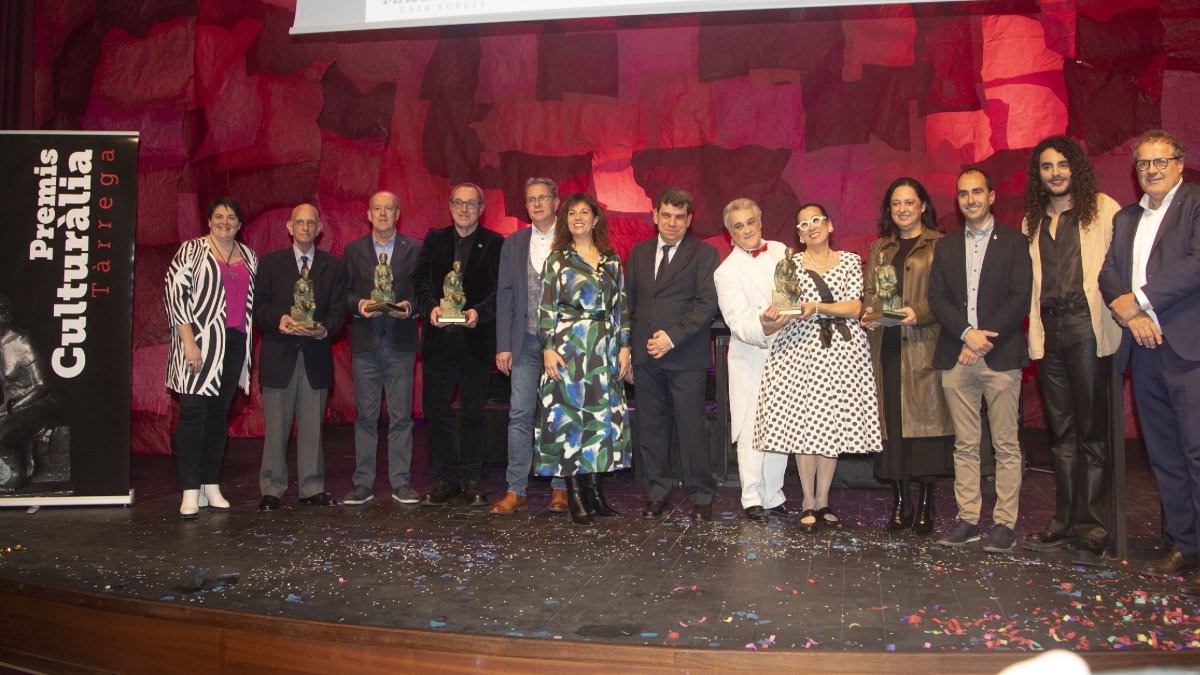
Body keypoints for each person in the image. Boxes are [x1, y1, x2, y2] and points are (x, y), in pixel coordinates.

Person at [1099, 129, 1200, 596]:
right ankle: (1185, 546)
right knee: (1164, 456)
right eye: (1143, 163)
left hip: (1188, 349)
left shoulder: (1196, 205)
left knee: (1197, 452)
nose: (1152, 170)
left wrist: (1134, 302)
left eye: (1161, 161)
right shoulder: (1124, 217)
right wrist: (1129, 311)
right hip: (1144, 350)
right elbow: (1107, 272)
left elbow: (1195, 265)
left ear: (1180, 163)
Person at [1021, 136, 1122, 565]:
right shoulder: (1034, 221)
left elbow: (1118, 270)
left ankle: (1094, 527)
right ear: (1039, 175)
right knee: (1061, 436)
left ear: (1074, 167)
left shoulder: (1103, 209)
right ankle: (1063, 522)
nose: (1055, 172)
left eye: (1062, 164)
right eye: (1047, 166)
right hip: (1050, 333)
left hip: (1087, 328)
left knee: (1092, 435)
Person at [753, 204, 880, 533]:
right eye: (802, 225)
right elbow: (784, 307)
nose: (810, 228)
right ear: (798, 234)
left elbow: (855, 306)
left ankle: (823, 499)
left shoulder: (850, 260)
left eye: (816, 221)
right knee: (805, 425)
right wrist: (773, 315)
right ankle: (808, 500)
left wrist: (819, 307)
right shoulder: (789, 265)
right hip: (799, 353)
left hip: (841, 352)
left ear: (829, 224)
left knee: (831, 425)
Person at [929, 169, 1032, 553]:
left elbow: (1019, 299)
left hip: (1001, 355)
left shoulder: (1015, 243)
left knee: (1005, 445)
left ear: (991, 196)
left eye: (977, 192)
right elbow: (938, 299)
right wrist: (966, 335)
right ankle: (967, 519)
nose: (970, 199)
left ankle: (1004, 524)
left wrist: (982, 338)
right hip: (957, 356)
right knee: (965, 444)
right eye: (962, 194)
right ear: (957, 200)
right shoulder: (947, 245)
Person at [862, 178, 953, 535]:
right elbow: (870, 291)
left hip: (924, 343)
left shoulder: (940, 244)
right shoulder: (880, 248)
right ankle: (901, 501)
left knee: (926, 428)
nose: (902, 209)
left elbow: (947, 295)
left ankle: (927, 503)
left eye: (909, 203)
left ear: (923, 206)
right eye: (896, 203)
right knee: (894, 429)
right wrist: (869, 314)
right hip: (886, 345)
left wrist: (919, 312)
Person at [535, 193, 632, 526]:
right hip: (569, 347)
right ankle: (575, 493)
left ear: (595, 219)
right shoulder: (557, 260)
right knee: (571, 419)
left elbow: (621, 307)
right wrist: (548, 347)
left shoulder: (612, 260)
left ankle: (594, 491)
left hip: (604, 348)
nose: (577, 217)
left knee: (599, 421)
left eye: (584, 212)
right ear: (566, 221)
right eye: (572, 213)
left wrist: (624, 347)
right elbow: (546, 307)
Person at [626, 188, 719, 521]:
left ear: (689, 220)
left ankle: (700, 495)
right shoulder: (638, 253)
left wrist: (671, 337)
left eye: (680, 217)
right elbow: (631, 303)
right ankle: (656, 493)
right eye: (666, 215)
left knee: (692, 427)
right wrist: (629, 350)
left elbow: (706, 304)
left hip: (686, 357)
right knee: (650, 428)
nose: (672, 223)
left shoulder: (705, 254)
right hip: (645, 357)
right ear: (655, 216)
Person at [164, 197, 258, 519]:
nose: (225, 221)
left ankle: (211, 484)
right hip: (198, 344)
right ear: (209, 221)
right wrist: (189, 342)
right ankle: (190, 489)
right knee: (193, 413)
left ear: (240, 224)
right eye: (219, 216)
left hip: (234, 345)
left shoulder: (249, 256)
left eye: (232, 217)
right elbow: (175, 295)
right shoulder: (191, 251)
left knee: (219, 414)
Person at [413, 183, 503, 508]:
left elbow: (499, 290)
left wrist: (480, 312)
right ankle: (446, 478)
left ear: (481, 208)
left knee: (473, 414)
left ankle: (472, 476)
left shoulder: (495, 243)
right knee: (436, 413)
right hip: (439, 341)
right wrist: (430, 307)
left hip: (475, 341)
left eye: (471, 204)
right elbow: (420, 280)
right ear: (450, 206)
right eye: (458, 203)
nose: (464, 209)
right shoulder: (434, 240)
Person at [253, 203, 346, 510]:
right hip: (279, 355)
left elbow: (338, 311)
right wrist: (278, 319)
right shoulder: (268, 264)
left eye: (311, 223)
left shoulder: (333, 266)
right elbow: (258, 307)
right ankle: (272, 488)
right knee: (276, 429)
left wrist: (323, 330)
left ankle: (311, 488)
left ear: (319, 230)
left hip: (315, 357)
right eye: (300, 222)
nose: (305, 227)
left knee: (312, 429)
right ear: (289, 227)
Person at [491, 178, 568, 515]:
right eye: (531, 199)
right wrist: (503, 345)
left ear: (556, 202)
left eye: (543, 198)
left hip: (561, 344)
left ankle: (560, 488)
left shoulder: (571, 241)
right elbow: (505, 295)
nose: (537, 204)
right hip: (523, 342)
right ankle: (516, 489)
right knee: (520, 415)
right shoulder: (514, 243)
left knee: (558, 415)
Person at [713, 198, 791, 522]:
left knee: (781, 427)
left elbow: (795, 295)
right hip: (753, 356)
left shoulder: (782, 251)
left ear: (760, 222)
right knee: (751, 429)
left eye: (750, 222)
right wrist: (766, 325)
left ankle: (774, 494)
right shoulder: (725, 271)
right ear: (730, 233)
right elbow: (737, 324)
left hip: (788, 353)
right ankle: (751, 497)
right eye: (738, 226)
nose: (746, 230)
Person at [342, 191, 421, 506]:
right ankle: (363, 484)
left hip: (400, 343)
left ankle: (401, 483)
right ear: (369, 214)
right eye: (378, 208)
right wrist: (360, 305)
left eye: (389, 208)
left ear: (398, 213)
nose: (384, 213)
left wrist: (411, 307)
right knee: (366, 417)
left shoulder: (415, 249)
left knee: (402, 417)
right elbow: (343, 295)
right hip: (366, 343)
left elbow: (422, 293)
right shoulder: (352, 250)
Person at [0, 294, 65, 492]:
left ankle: (17, 474)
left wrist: (12, 407)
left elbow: (42, 385)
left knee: (1, 435)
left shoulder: (21, 341)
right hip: (12, 405)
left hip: (40, 403)